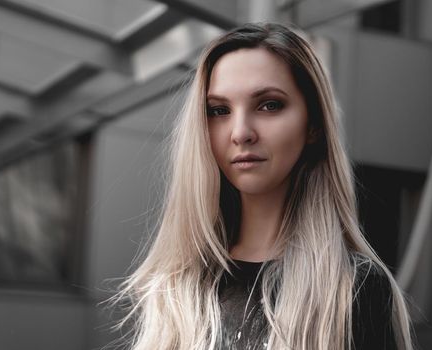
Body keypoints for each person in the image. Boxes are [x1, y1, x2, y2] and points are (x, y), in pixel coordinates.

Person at [108, 22, 415, 350]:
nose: (240, 132)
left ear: (313, 126)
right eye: (219, 110)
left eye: (269, 105)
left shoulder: (353, 289)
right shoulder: (174, 290)